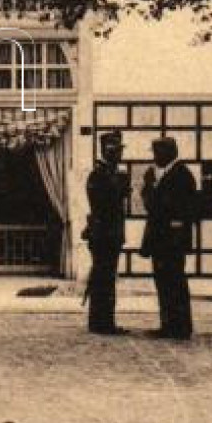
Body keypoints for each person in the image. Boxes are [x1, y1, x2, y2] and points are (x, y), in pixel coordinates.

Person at [139, 136, 196, 340]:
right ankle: (170, 324)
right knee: (165, 282)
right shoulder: (170, 174)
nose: (154, 158)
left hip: (171, 242)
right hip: (163, 241)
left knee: (173, 282)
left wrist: (150, 186)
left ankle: (177, 327)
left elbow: (161, 207)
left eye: (156, 153)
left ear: (168, 153)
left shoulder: (180, 175)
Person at [83, 130, 130, 335]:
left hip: (108, 234)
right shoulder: (100, 174)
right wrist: (120, 187)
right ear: (107, 151)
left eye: (120, 150)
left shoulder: (111, 174)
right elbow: (105, 204)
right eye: (116, 151)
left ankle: (102, 321)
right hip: (104, 235)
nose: (120, 155)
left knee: (105, 278)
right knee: (104, 279)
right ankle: (102, 323)